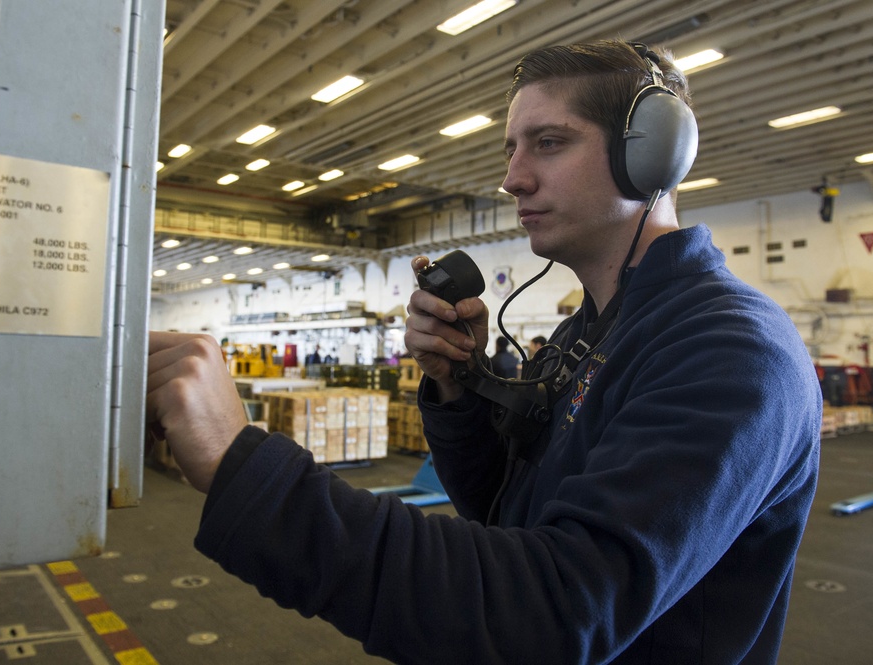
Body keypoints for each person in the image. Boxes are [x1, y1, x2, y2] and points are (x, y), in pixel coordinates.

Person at [146, 40, 821, 664]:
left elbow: (554, 611)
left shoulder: (729, 350)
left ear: (652, 155)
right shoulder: (582, 337)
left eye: (549, 143)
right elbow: (503, 516)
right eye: (510, 149)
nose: (513, 178)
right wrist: (460, 388)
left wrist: (248, 470)